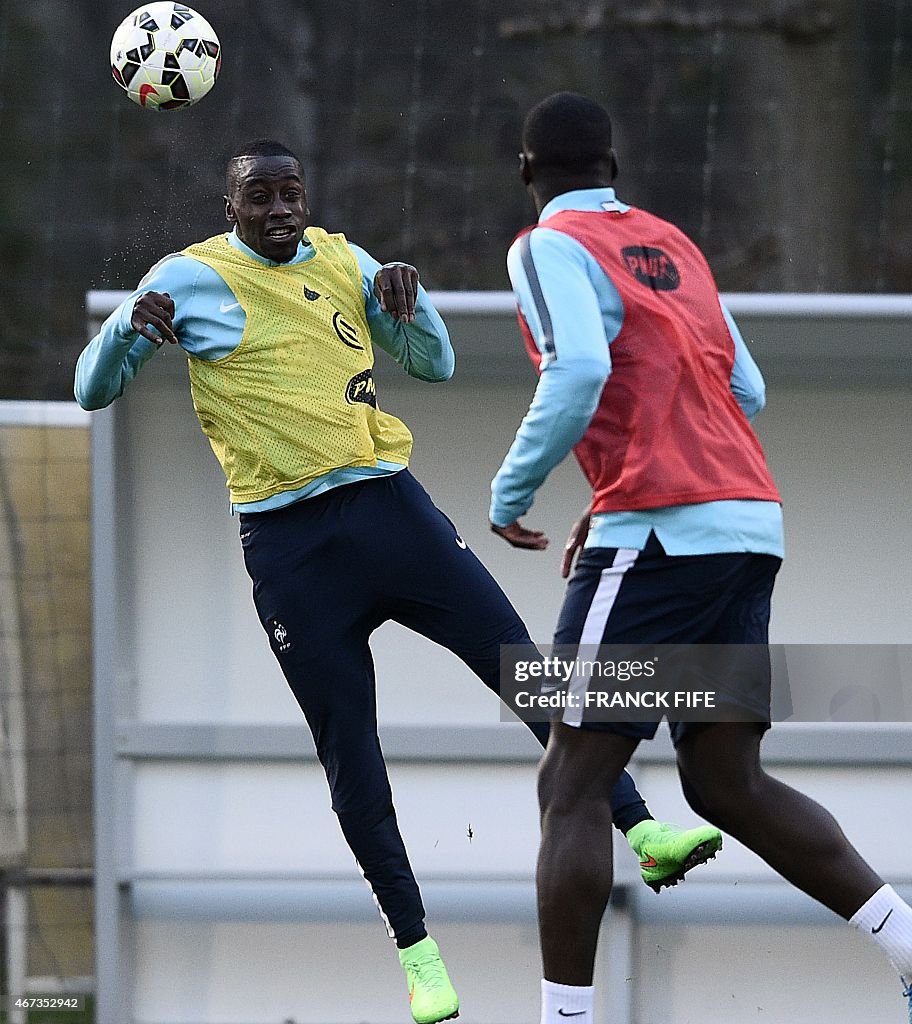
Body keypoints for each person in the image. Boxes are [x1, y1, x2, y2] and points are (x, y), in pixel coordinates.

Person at [76, 138, 716, 1024]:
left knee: (519, 663)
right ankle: (418, 954)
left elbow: (435, 365)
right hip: (290, 548)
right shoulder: (185, 280)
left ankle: (643, 829)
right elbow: (90, 389)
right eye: (259, 197)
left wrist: (413, 312)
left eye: (290, 192)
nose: (279, 210)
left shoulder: (344, 259)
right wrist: (123, 331)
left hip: (390, 513)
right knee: (351, 748)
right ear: (231, 209)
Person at [489, 92, 912, 1024]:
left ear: (527, 172)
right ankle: (909, 946)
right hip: (747, 525)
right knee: (725, 783)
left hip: (659, 534)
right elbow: (744, 386)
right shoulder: (672, 242)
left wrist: (511, 495)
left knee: (571, 783)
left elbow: (579, 373)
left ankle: (565, 1021)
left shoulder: (544, 247)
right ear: (613, 166)